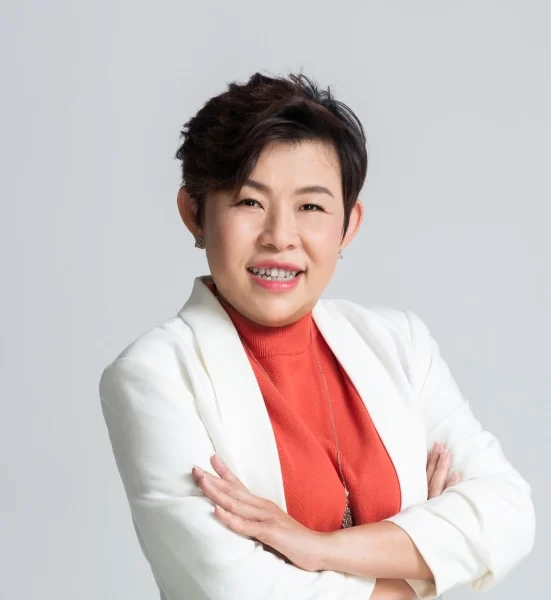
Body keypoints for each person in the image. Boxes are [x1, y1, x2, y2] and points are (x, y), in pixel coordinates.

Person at [99, 73, 535, 600]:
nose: (280, 237)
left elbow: (509, 513)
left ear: (348, 224)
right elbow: (237, 589)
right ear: (195, 212)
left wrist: (315, 548)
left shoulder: (400, 344)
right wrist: (421, 570)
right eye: (249, 202)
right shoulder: (155, 376)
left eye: (311, 207)